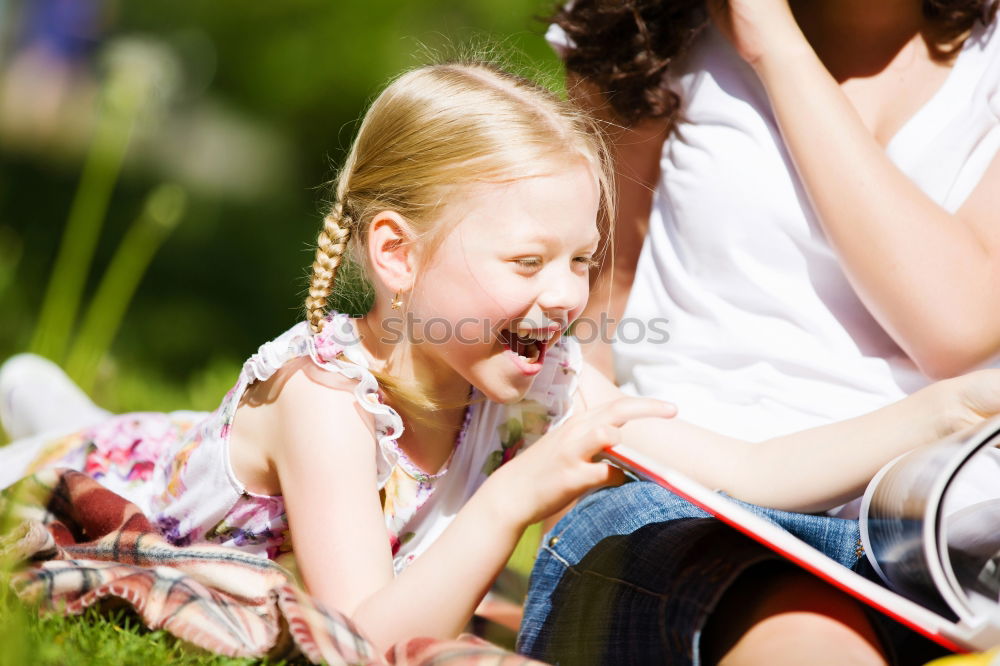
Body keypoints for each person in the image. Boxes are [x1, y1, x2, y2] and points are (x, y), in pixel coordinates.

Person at [1, 60, 999, 660]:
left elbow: (740, 475)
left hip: (249, 483)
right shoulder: (325, 401)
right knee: (68, 465)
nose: (565, 297)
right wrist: (513, 499)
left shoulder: (540, 374)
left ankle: (61, 411)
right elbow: (363, 641)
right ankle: (59, 433)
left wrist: (942, 413)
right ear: (394, 255)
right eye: (526, 262)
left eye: (579, 261)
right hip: (146, 482)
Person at [518, 1, 1000, 663]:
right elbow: (593, 305)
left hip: (944, 537)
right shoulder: (644, 25)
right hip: (695, 499)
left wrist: (772, 41)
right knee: (806, 634)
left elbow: (957, 321)